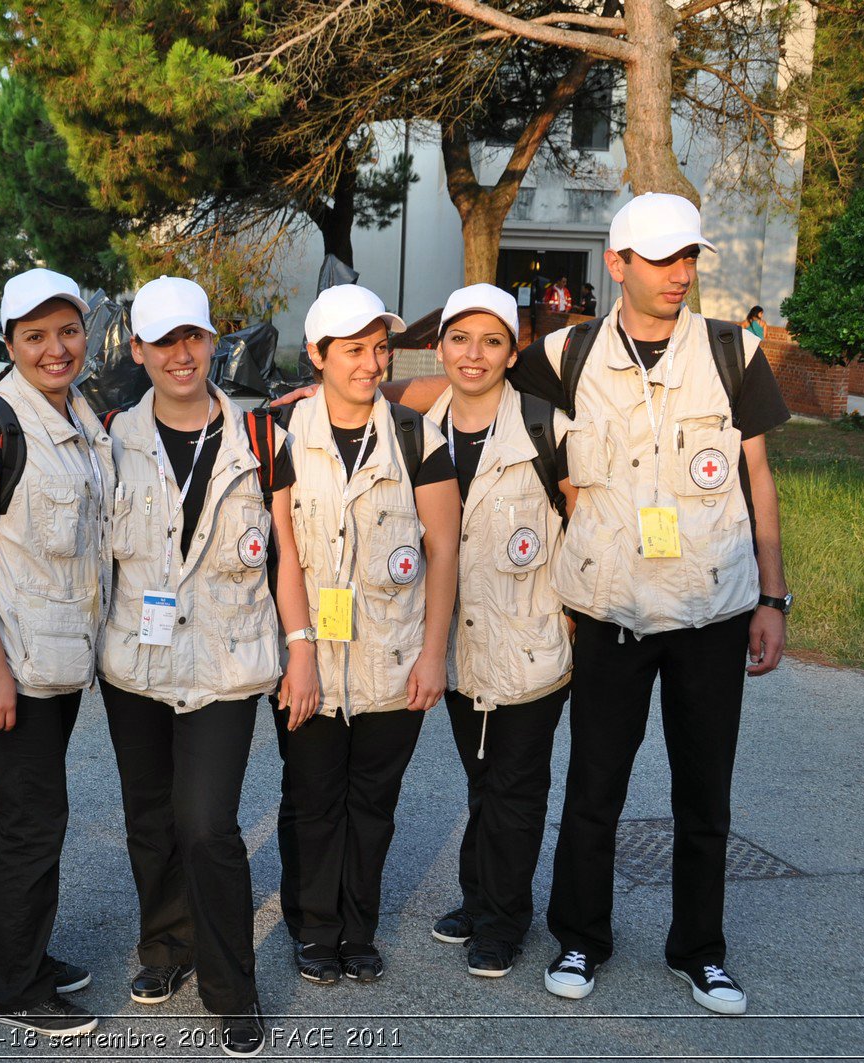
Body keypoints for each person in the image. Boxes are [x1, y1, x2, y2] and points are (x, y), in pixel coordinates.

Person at [376, 193, 792, 1014]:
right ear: (618, 264)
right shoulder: (565, 354)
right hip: (609, 613)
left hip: (712, 610)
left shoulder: (732, 351)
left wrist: (773, 597)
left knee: (704, 794)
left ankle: (699, 951)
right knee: (594, 787)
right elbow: (471, 384)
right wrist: (340, 402)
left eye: (688, 258)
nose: (680, 273)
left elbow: (759, 480)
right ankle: (580, 938)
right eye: (662, 258)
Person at [99, 277, 316, 1058]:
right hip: (135, 662)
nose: (181, 353)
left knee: (208, 824)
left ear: (213, 339)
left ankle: (233, 988)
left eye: (193, 336)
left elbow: (287, 557)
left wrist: (302, 652)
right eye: (163, 341)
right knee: (150, 820)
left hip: (227, 660)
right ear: (139, 351)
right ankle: (166, 947)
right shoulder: (110, 438)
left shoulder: (260, 439)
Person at [0, 268, 115, 1039]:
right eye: (36, 336)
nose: (56, 348)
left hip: (53, 654)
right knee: (36, 816)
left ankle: (4, 954)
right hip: (5, 659)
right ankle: (15, 989)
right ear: (10, 342)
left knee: (14, 809)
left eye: (67, 331)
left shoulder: (79, 413)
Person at [273, 284, 460, 987]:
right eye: (353, 349)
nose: (371, 363)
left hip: (392, 657)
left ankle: (359, 928)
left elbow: (443, 548)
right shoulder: (282, 437)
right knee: (313, 797)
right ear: (317, 355)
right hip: (309, 661)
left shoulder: (417, 437)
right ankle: (315, 928)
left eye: (379, 347)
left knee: (372, 805)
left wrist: (433, 653)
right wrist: (297, 653)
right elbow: (280, 548)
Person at [419, 284, 576, 980]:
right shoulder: (420, 429)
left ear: (513, 350)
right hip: (458, 644)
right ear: (441, 346)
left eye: (491, 341)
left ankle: (503, 922)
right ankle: (479, 895)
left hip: (533, 641)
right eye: (460, 339)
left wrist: (571, 618)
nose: (473, 354)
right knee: (482, 776)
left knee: (515, 783)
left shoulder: (547, 426)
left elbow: (586, 522)